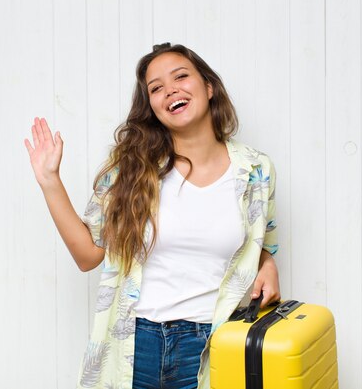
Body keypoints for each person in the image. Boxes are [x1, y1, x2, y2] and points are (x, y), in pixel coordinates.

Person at [24, 43, 280, 389]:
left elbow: (259, 242)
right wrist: (49, 180)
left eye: (180, 77)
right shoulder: (131, 170)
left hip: (211, 344)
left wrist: (267, 262)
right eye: (156, 88)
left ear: (208, 87)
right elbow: (87, 256)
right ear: (153, 108)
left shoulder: (255, 171)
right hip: (136, 342)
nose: (169, 90)